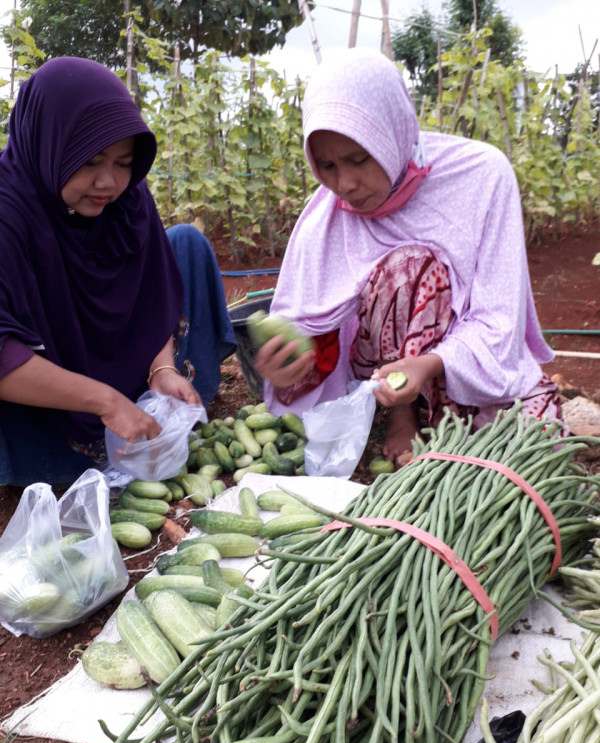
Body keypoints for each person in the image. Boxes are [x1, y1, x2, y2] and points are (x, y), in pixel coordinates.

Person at [256, 47, 563, 465]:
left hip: (453, 359)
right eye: (326, 165)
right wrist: (288, 372)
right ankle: (402, 415)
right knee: (408, 267)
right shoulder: (324, 217)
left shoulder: (481, 176)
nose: (344, 183)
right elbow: (313, 334)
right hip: (382, 376)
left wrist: (427, 366)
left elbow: (499, 316)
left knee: (545, 444)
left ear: (392, 134)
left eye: (358, 158)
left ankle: (448, 408)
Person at [0, 57, 236, 487]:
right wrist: (106, 402)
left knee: (186, 242)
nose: (109, 182)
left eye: (124, 162)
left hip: (124, 373)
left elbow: (151, 294)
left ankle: (153, 408)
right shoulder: (8, 211)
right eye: (90, 161)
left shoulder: (126, 200)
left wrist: (160, 370)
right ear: (50, 143)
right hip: (48, 401)